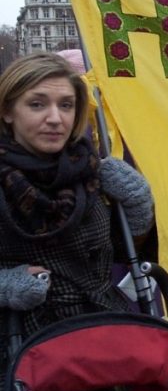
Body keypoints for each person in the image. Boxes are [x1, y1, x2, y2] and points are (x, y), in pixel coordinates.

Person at [0, 52, 154, 341]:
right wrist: (6, 286)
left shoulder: (90, 171)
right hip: (21, 349)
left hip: (105, 338)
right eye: (37, 104)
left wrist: (137, 206)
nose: (56, 118)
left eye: (66, 105)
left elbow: (123, 254)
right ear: (8, 111)